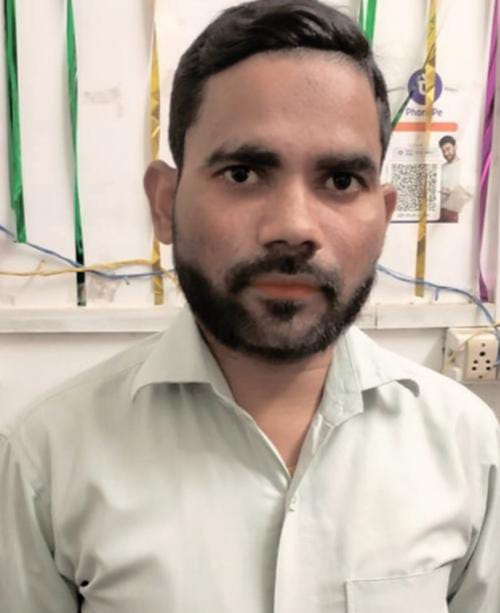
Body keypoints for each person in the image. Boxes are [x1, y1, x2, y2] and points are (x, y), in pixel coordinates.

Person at [1, 1, 498, 611]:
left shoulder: (467, 445)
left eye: (341, 181)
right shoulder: (49, 456)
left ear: (383, 215)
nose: (293, 227)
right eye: (243, 173)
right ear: (164, 204)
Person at [438, 134, 461, 222]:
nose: (446, 153)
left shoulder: (464, 165)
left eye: (448, 149)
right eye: (443, 151)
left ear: (455, 147)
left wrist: (452, 193)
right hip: (440, 211)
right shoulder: (442, 167)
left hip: (454, 212)